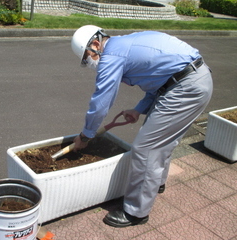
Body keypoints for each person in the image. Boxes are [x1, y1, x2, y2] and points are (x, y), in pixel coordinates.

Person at [71, 25, 213, 228]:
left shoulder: (111, 56)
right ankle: (155, 184)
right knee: (161, 139)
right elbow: (161, 80)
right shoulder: (127, 44)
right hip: (192, 80)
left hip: (186, 87)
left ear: (95, 44)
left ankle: (136, 212)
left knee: (146, 147)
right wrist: (138, 109)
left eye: (87, 58)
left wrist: (85, 135)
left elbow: (101, 101)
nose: (90, 63)